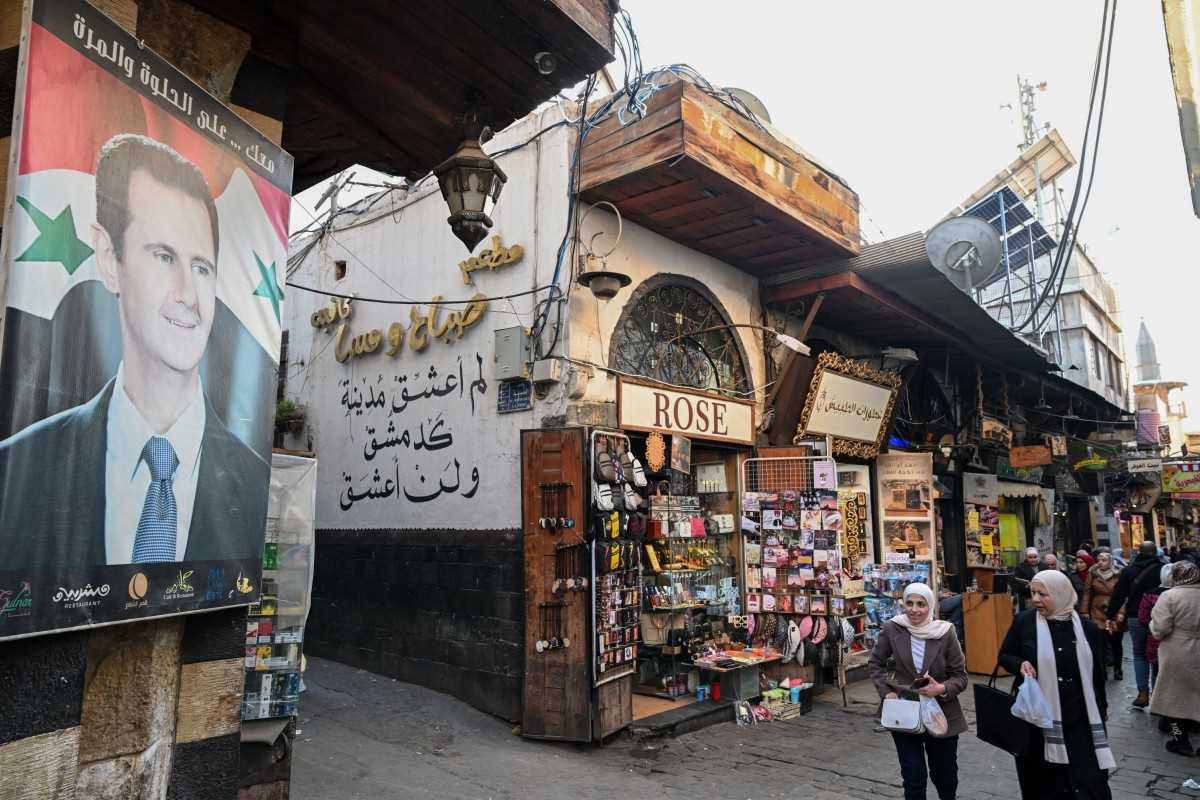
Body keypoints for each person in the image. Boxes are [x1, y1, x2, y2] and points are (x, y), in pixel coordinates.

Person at [0, 134, 268, 567]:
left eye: (200, 267)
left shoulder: (256, 486)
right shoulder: (19, 469)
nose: (188, 295)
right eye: (163, 257)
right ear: (108, 258)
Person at [999, 570, 1113, 799]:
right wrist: (1020, 663)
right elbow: (1005, 655)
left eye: (1043, 594)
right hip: (1037, 717)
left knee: (1087, 777)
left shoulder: (1087, 628)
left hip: (1079, 715)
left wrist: (1101, 709)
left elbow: (1097, 674)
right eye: (1033, 593)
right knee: (1042, 779)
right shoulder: (1025, 622)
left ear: (1061, 594)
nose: (1036, 599)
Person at [869, 582, 968, 800]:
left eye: (921, 604)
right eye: (910, 603)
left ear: (930, 606)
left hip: (942, 714)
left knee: (945, 776)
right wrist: (887, 692)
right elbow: (876, 663)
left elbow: (961, 677)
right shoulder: (893, 627)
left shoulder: (945, 632)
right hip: (904, 712)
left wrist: (941, 688)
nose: (914, 609)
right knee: (913, 778)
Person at [1106, 541, 1166, 708]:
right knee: (1157, 656)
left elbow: (1118, 594)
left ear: (1139, 552)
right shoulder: (1164, 569)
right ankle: (1157, 696)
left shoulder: (1129, 570)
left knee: (1139, 654)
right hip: (1158, 617)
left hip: (1135, 617)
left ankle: (1142, 694)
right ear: (1156, 553)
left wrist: (1110, 615)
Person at [1149, 561, 1200, 756]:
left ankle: (1180, 740)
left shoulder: (1170, 596)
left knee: (1173, 698)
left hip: (1177, 650)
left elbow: (1160, 629)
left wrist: (1153, 626)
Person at [1082, 552, 1124, 681]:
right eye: (1099, 560)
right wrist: (1084, 611)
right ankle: (1102, 671)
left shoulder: (1119, 574)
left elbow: (1124, 594)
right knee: (1100, 644)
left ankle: (1118, 668)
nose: (1100, 562)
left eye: (1104, 560)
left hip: (1115, 611)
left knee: (1116, 642)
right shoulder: (1093, 574)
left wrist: (1122, 611)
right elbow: (1087, 593)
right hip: (1097, 611)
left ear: (1110, 561)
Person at [1138, 564, 1172, 698]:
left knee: (1157, 672)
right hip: (1178, 643)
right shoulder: (1182, 595)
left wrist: (1152, 627)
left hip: (1155, 639)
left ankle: (1158, 700)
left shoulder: (1150, 594)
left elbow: (1142, 617)